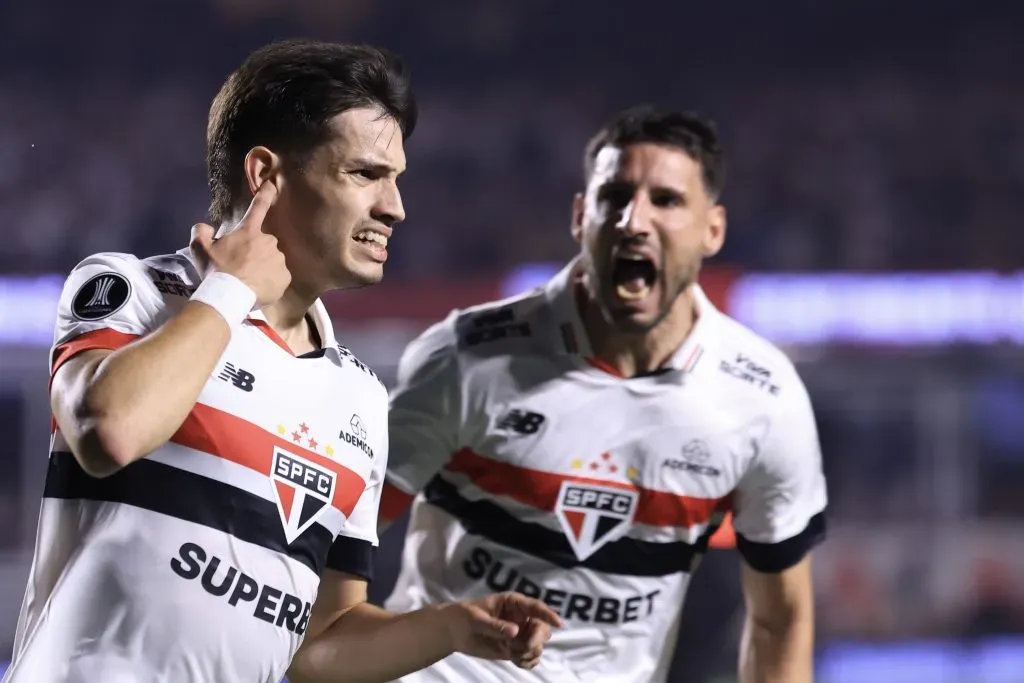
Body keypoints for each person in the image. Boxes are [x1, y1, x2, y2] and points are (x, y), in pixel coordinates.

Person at [3, 39, 560, 683]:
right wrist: (231, 292)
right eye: (364, 174)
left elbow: (316, 646)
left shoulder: (359, 400)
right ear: (266, 175)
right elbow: (109, 430)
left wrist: (453, 626)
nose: (395, 207)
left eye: (396, 179)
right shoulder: (136, 291)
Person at [379, 105, 828, 683]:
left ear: (712, 229)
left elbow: (780, 621)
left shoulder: (762, 398)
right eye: (614, 197)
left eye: (665, 200)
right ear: (579, 216)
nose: (633, 220)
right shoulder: (465, 357)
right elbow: (336, 538)